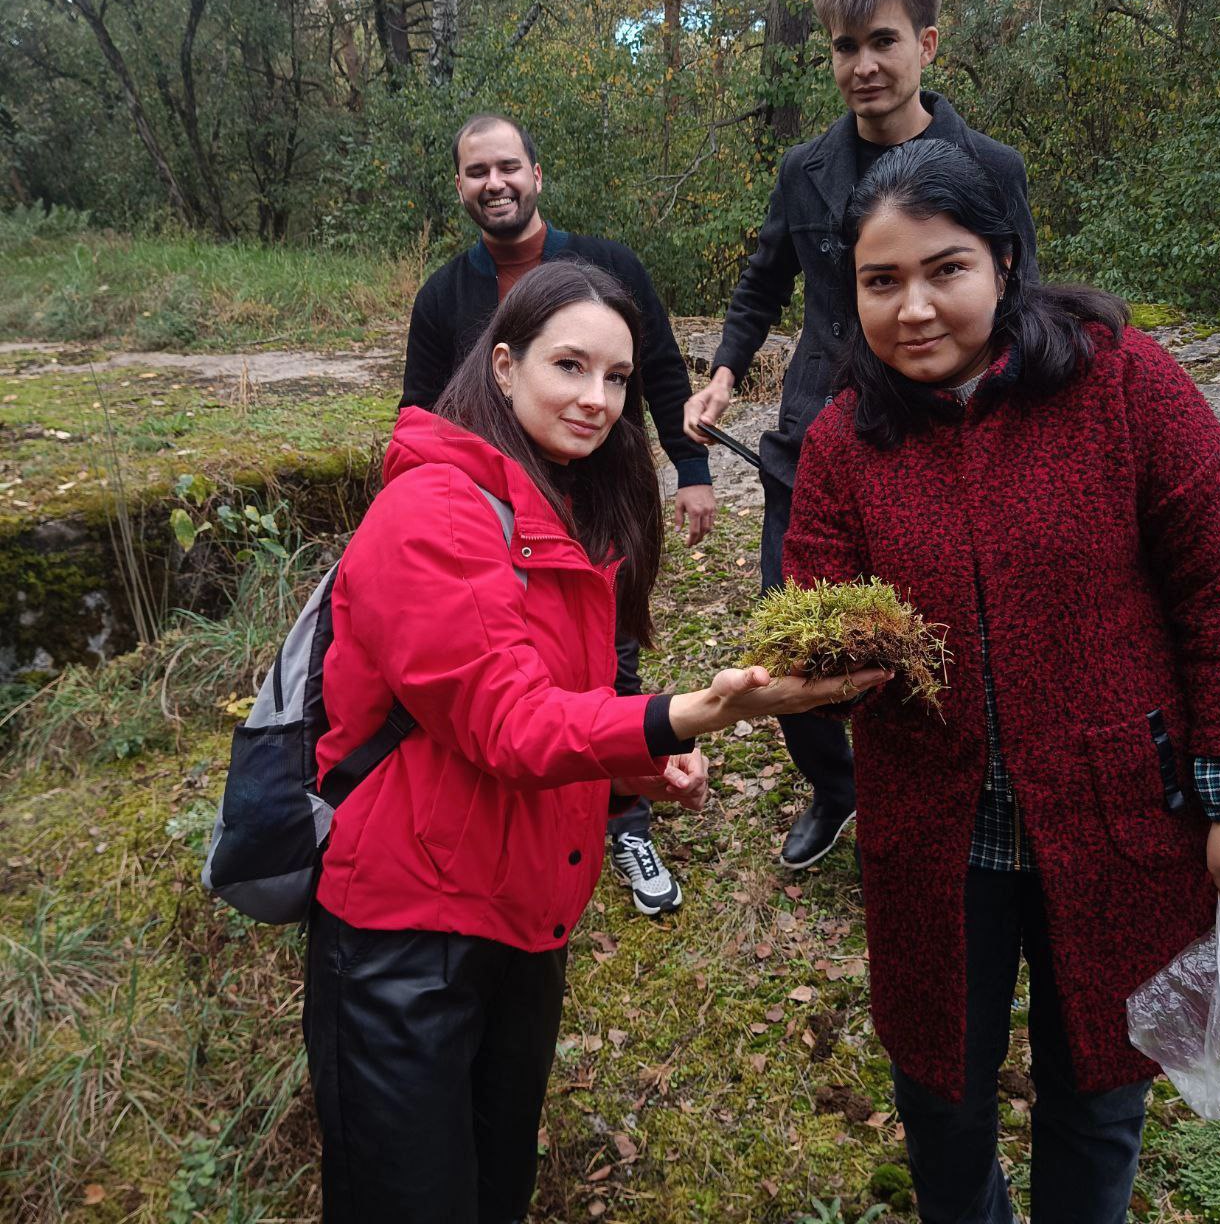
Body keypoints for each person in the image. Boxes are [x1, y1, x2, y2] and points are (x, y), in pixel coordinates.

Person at [304, 259, 892, 1223]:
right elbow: (508, 723)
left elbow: (562, 699)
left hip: (522, 918)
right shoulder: (433, 512)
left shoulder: (563, 499)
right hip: (404, 936)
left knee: (497, 1190)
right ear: (502, 365)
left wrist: (642, 762)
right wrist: (687, 715)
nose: (596, 399)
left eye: (616, 379)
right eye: (569, 367)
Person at [782, 138, 1220, 1223]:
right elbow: (812, 593)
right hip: (933, 827)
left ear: (1003, 261)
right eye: (880, 281)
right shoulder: (843, 438)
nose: (912, 308)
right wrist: (816, 662)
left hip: (1115, 813)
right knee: (939, 1092)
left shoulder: (1119, 382)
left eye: (942, 268)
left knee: (1097, 1086)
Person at [684, 0, 1038, 871]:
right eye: (845, 46)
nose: (863, 66)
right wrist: (725, 370)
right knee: (793, 636)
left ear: (926, 43)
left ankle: (950, 795)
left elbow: (1021, 305)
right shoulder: (804, 170)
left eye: (882, 41)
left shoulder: (991, 167)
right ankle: (836, 788)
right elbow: (763, 284)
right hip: (812, 440)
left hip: (944, 443)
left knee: (950, 628)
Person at [403, 111, 713, 914]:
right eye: (477, 172)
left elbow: (662, 374)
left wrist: (692, 468)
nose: (494, 183)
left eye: (508, 166)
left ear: (537, 175)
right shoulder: (445, 296)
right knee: (515, 672)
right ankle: (534, 814)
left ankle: (626, 819)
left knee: (609, 657)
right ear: (462, 187)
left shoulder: (607, 264)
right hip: (494, 518)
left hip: (601, 499)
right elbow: (422, 407)